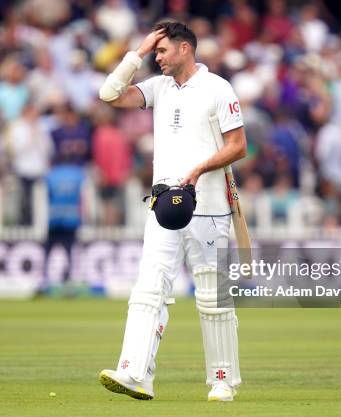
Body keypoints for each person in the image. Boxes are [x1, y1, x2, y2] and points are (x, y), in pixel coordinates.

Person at [97, 21, 247, 402]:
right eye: (155, 51)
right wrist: (139, 50)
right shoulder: (158, 88)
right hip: (163, 206)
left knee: (213, 298)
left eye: (162, 51)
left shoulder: (218, 88)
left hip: (209, 208)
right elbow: (109, 94)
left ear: (185, 48)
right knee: (148, 288)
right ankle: (135, 373)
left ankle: (222, 380)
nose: (157, 58)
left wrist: (198, 170)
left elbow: (238, 146)